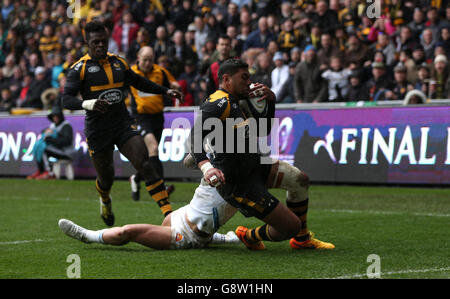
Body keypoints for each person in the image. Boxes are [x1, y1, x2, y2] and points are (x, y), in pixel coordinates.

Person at [190, 58, 334, 250]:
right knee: (290, 226)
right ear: (227, 79)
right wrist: (206, 167)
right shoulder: (217, 103)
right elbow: (194, 138)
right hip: (238, 182)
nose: (249, 82)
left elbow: (263, 129)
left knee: (299, 179)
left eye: (249, 77)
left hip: (255, 165)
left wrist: (270, 101)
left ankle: (302, 240)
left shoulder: (240, 100)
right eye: (244, 77)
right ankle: (249, 235)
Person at [62, 22, 183, 226]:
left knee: (144, 161)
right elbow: (65, 100)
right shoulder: (79, 69)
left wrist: (165, 91)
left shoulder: (119, 63)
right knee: (107, 178)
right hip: (98, 130)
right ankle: (105, 200)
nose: (100, 45)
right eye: (95, 42)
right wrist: (88, 103)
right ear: (86, 42)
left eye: (104, 41)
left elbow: (138, 82)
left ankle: (168, 215)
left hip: (122, 124)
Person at [58, 177, 240, 250]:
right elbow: (190, 161)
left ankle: (88, 236)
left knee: (127, 232)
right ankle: (224, 238)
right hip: (180, 214)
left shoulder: (244, 178)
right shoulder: (218, 158)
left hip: (188, 234)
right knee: (200, 223)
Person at [129, 46, 181, 202]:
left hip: (158, 117)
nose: (147, 63)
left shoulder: (160, 71)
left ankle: (136, 179)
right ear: (138, 58)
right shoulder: (130, 73)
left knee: (149, 156)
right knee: (153, 147)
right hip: (140, 117)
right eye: (145, 59)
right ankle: (161, 187)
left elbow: (173, 83)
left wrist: (176, 87)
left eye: (150, 60)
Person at [27, 105, 74, 180]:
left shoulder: (66, 126)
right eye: (53, 116)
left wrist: (51, 139)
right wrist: (45, 133)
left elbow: (67, 141)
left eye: (57, 116)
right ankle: (41, 171)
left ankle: (50, 173)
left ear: (60, 116)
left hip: (67, 152)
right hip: (59, 150)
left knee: (44, 150)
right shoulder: (53, 126)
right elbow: (46, 133)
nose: (55, 118)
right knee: (38, 147)